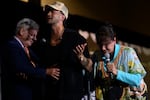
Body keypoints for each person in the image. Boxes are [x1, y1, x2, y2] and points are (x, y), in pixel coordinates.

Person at [32, 1, 93, 100]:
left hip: (70, 94)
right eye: (48, 11)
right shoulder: (43, 39)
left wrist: (81, 57)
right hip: (48, 93)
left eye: (53, 11)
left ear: (63, 16)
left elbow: (90, 67)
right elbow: (36, 63)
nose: (48, 13)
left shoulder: (75, 38)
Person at [91, 23, 148, 100]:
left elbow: (137, 79)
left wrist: (117, 72)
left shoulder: (127, 52)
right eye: (100, 44)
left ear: (114, 40)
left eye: (106, 44)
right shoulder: (97, 55)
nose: (103, 48)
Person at [1, 18, 53, 100]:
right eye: (33, 35)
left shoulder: (27, 49)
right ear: (22, 31)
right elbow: (20, 67)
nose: (35, 39)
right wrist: (46, 72)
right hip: (16, 94)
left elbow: (38, 64)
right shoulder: (11, 45)